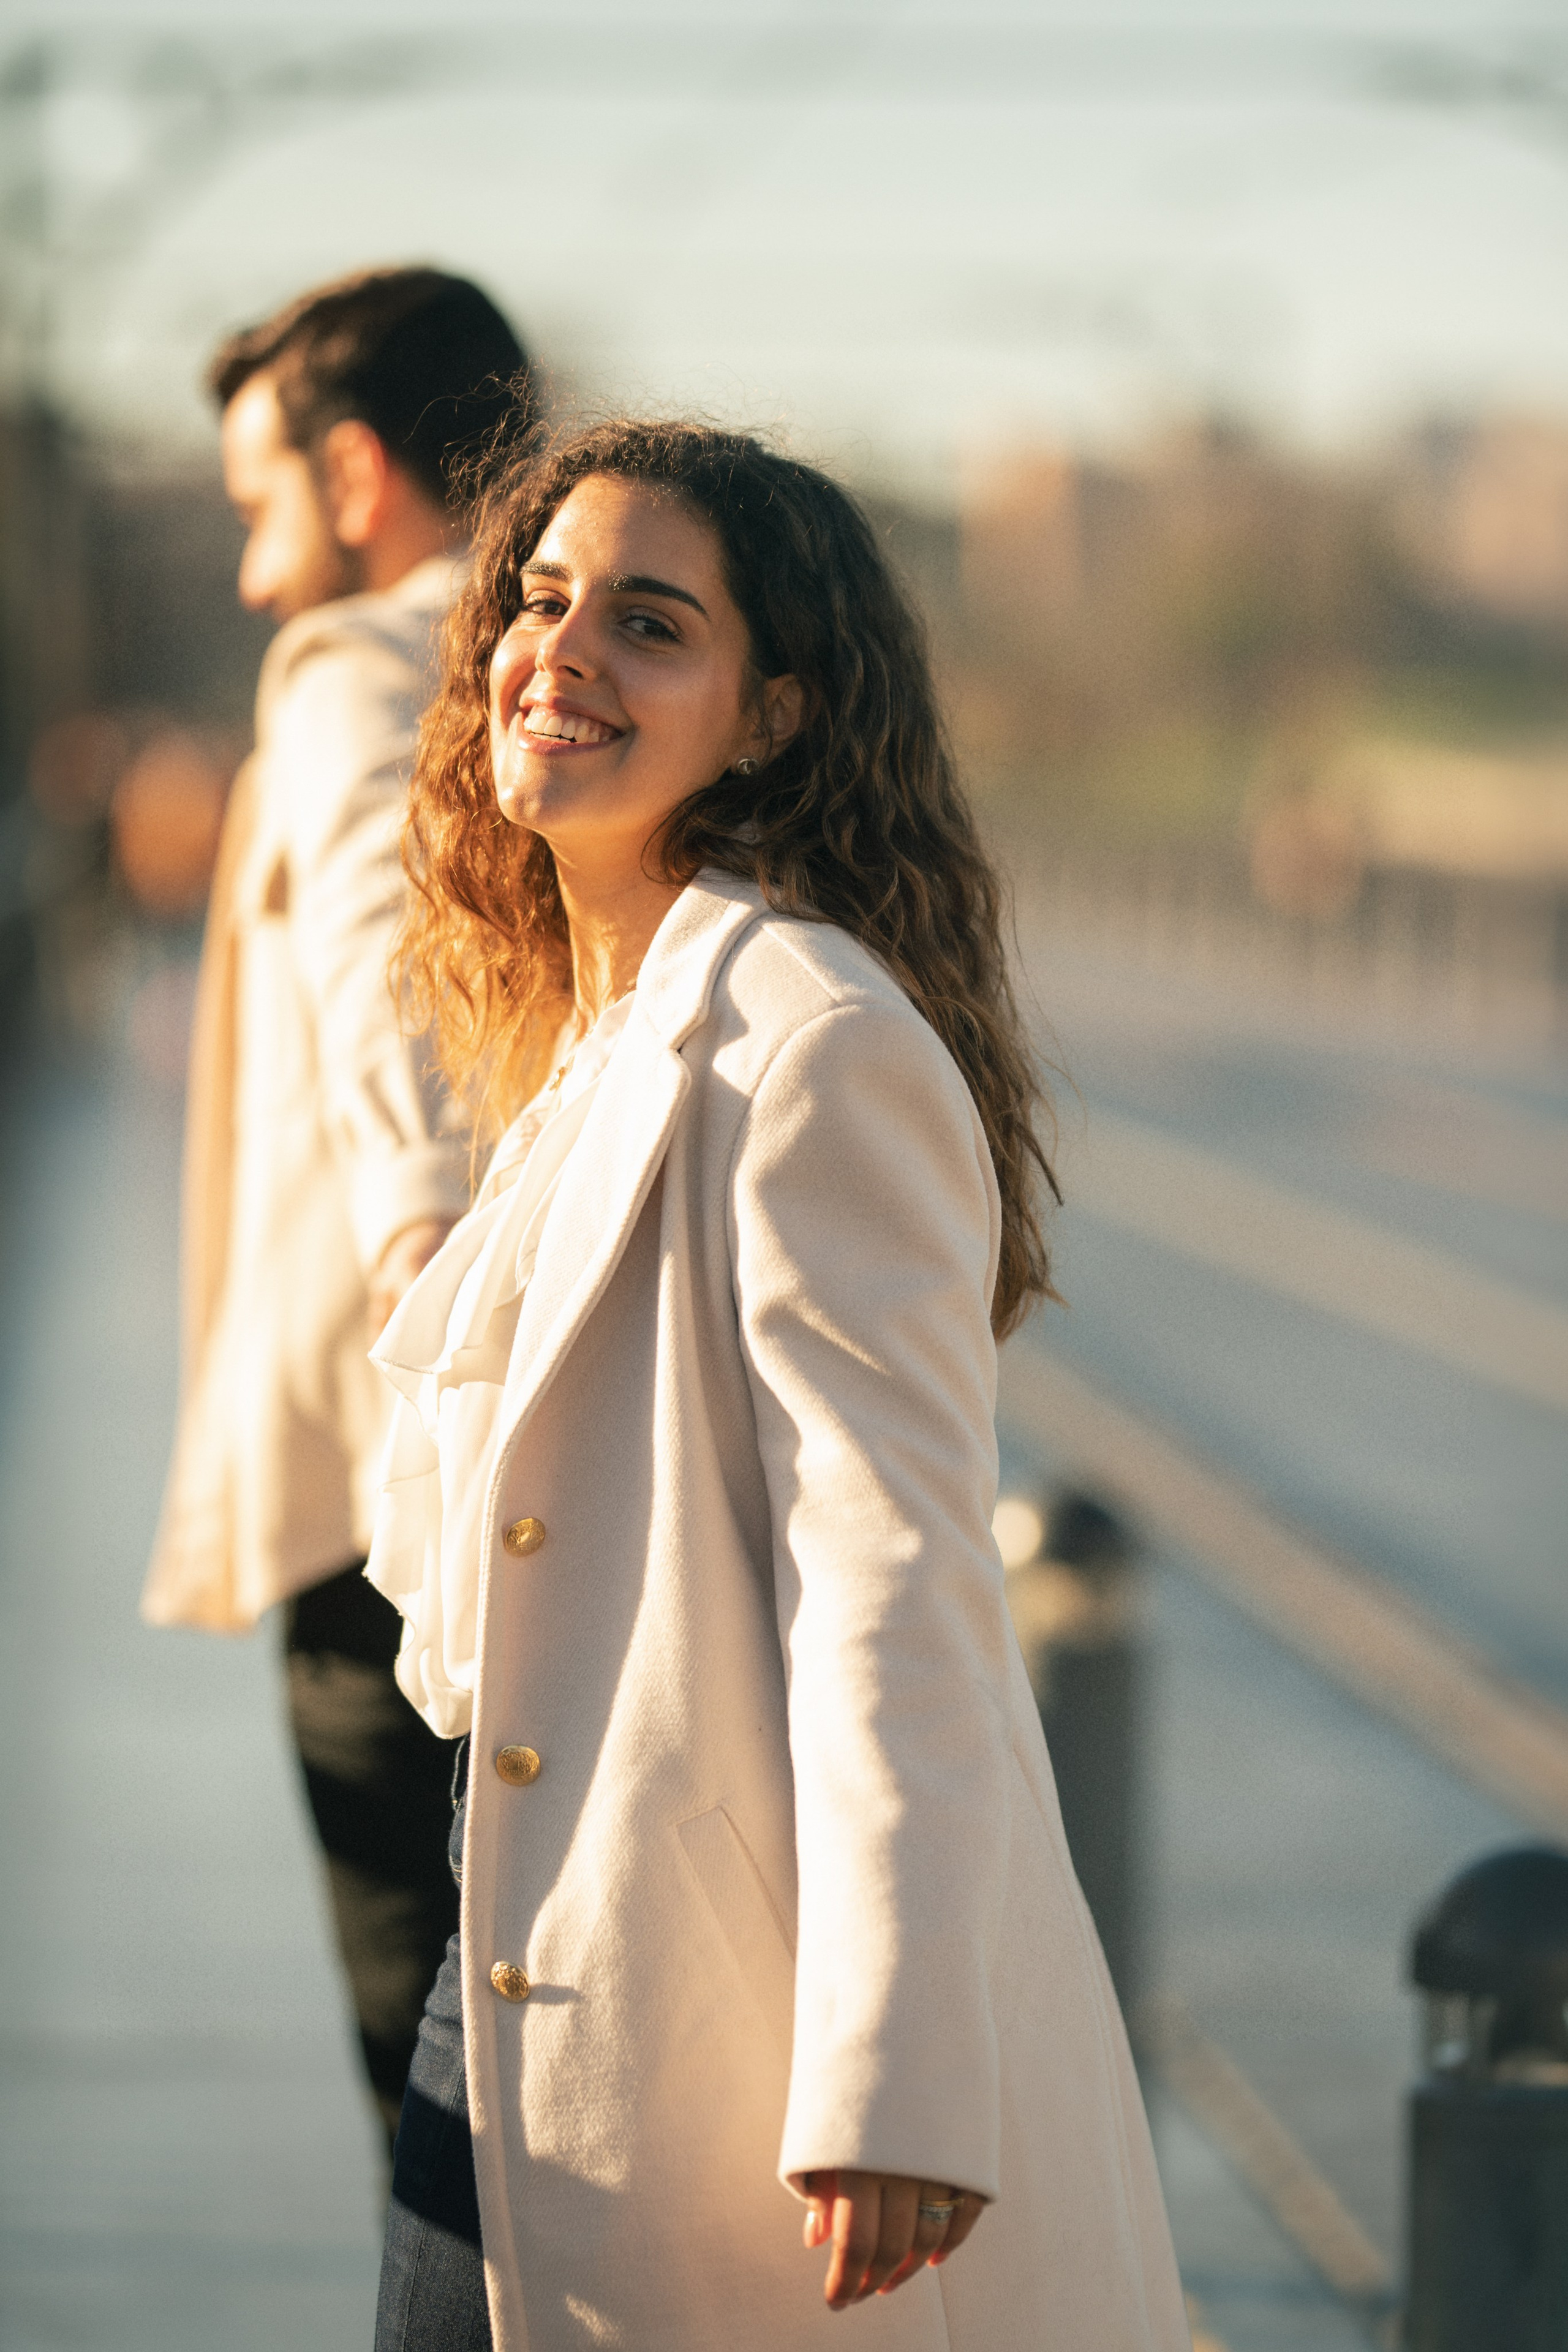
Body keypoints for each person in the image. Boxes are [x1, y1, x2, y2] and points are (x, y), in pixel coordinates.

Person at [366, 420, 1191, 2350]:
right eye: (541, 599)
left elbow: (894, 1578)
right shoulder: (623, 1022)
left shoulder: (809, 1044)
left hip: (703, 2002)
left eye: (649, 623)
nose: (559, 650)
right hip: (523, 1944)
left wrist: (895, 2069)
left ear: (771, 717)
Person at [143, 266, 532, 2153]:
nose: (248, 573)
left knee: (435, 2069)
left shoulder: (360, 668)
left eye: (256, 505)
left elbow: (397, 987)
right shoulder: (579, 670)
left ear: (356, 468)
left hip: (388, 1463)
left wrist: (415, 1274)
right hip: (531, 1448)